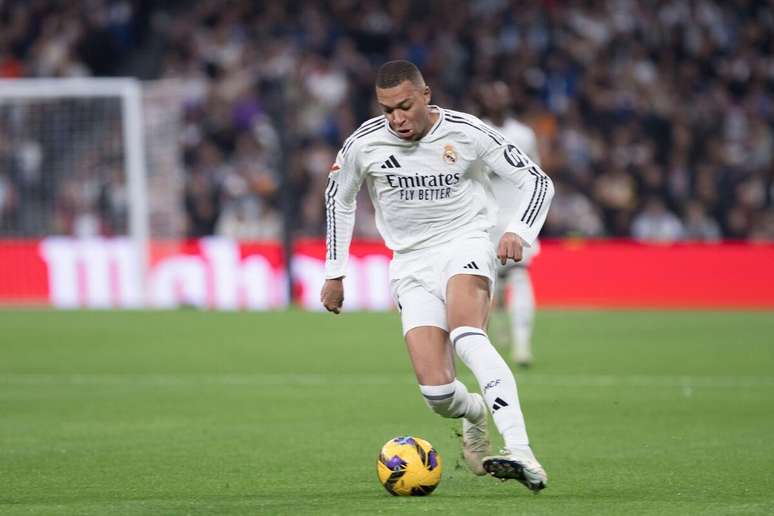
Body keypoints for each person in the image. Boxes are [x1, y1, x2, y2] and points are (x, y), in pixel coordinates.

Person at [320, 61, 553, 491]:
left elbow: (536, 182)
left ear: (426, 95)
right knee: (437, 394)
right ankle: (475, 413)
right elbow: (340, 199)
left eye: (404, 106)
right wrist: (335, 271)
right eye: (387, 109)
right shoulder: (364, 144)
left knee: (468, 336)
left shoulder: (468, 132)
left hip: (464, 243)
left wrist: (518, 230)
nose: (396, 118)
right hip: (409, 262)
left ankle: (521, 450)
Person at [479, 81, 543, 367]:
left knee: (519, 275)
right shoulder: (474, 130)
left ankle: (521, 346)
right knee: (483, 284)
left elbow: (535, 178)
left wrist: (531, 218)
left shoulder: (523, 135)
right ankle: (483, 345)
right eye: (491, 94)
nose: (496, 100)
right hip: (482, 220)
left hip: (514, 218)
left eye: (500, 95)